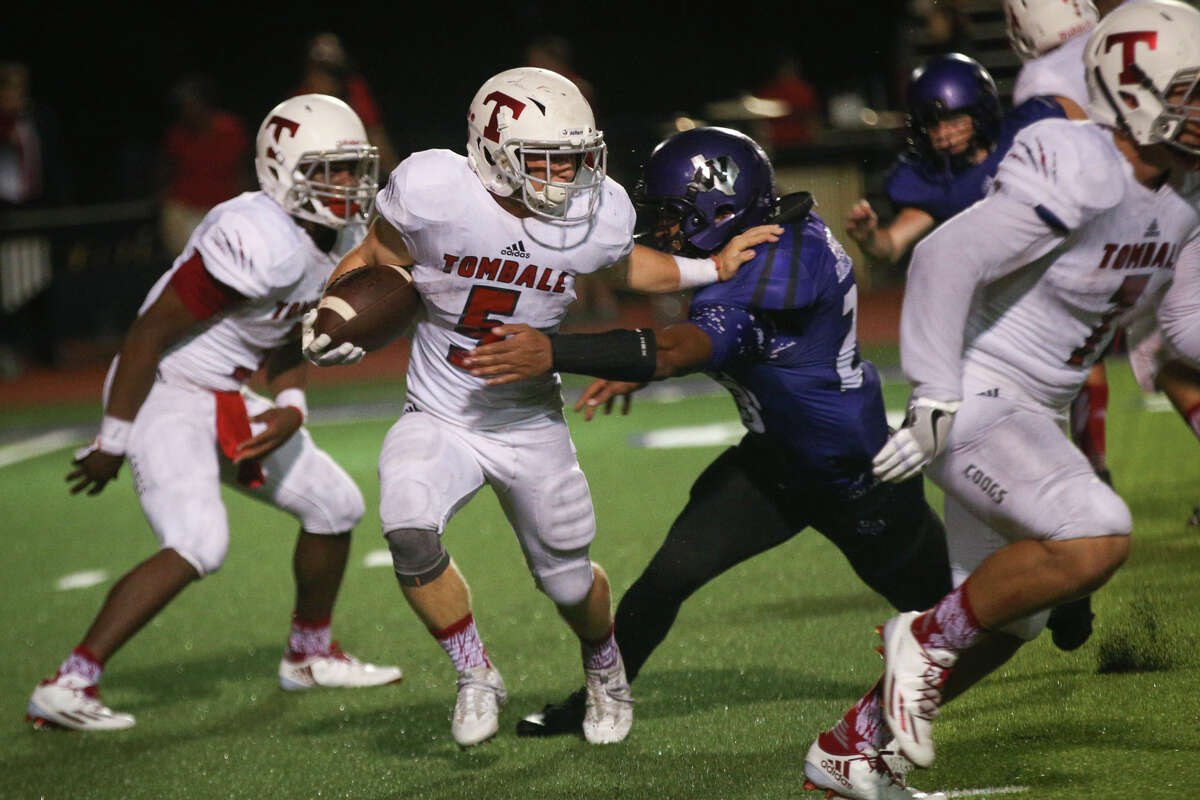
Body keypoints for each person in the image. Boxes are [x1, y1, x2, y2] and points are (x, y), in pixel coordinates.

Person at [458, 126, 954, 800]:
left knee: (947, 617)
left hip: (857, 476)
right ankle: (596, 701)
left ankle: (1059, 595)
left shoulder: (781, 264)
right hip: (773, 466)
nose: (664, 231)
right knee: (667, 577)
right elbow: (706, 347)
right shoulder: (756, 244)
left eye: (672, 214)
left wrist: (558, 352)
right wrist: (645, 368)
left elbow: (679, 348)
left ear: (718, 207)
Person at [301, 68, 779, 749]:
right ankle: (475, 674)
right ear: (492, 153)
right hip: (441, 410)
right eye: (549, 159)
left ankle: (604, 665)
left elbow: (625, 268)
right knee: (408, 526)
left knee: (565, 582)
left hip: (528, 423)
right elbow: (378, 254)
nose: (570, 175)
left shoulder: (597, 213)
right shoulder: (434, 189)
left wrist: (713, 270)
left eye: (579, 156)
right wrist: (332, 311)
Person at [806, 0, 1200, 788]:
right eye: (1190, 89)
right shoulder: (1081, 163)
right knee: (1097, 534)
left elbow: (1186, 328)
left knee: (1013, 615)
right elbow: (943, 259)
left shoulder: (1186, 192)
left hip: (1033, 406)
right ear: (1133, 92)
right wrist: (933, 397)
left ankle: (849, 747)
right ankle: (919, 638)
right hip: (976, 392)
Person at [25, 94, 402, 732]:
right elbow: (147, 332)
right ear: (283, 171)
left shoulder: (332, 235)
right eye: (329, 171)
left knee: (337, 506)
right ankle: (68, 682)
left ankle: (308, 656)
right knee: (199, 542)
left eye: (351, 169)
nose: (347, 185)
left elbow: (286, 331)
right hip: (166, 389)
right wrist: (113, 440)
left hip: (225, 393)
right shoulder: (254, 235)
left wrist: (289, 402)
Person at [1011, 0, 1200, 528]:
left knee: (1169, 336)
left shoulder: (1047, 77)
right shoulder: (1129, 37)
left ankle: (1089, 466)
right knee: (1168, 341)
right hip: (1167, 211)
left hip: (1148, 213)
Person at [846, 53, 1064, 267]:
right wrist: (869, 239)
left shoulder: (1030, 129)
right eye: (932, 125)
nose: (943, 134)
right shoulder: (935, 181)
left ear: (981, 113)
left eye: (954, 120)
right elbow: (892, 245)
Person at [158, 74, 252, 256]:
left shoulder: (230, 129)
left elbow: (244, 168)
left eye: (191, 103)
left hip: (223, 207)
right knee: (189, 266)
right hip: (185, 208)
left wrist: (245, 206)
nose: (187, 109)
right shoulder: (177, 135)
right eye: (183, 105)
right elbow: (164, 169)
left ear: (204, 103)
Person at [294, 33, 400, 174]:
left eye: (336, 73)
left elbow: (377, 136)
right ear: (310, 72)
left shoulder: (353, 90)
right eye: (325, 73)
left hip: (351, 172)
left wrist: (395, 174)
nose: (332, 81)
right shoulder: (297, 105)